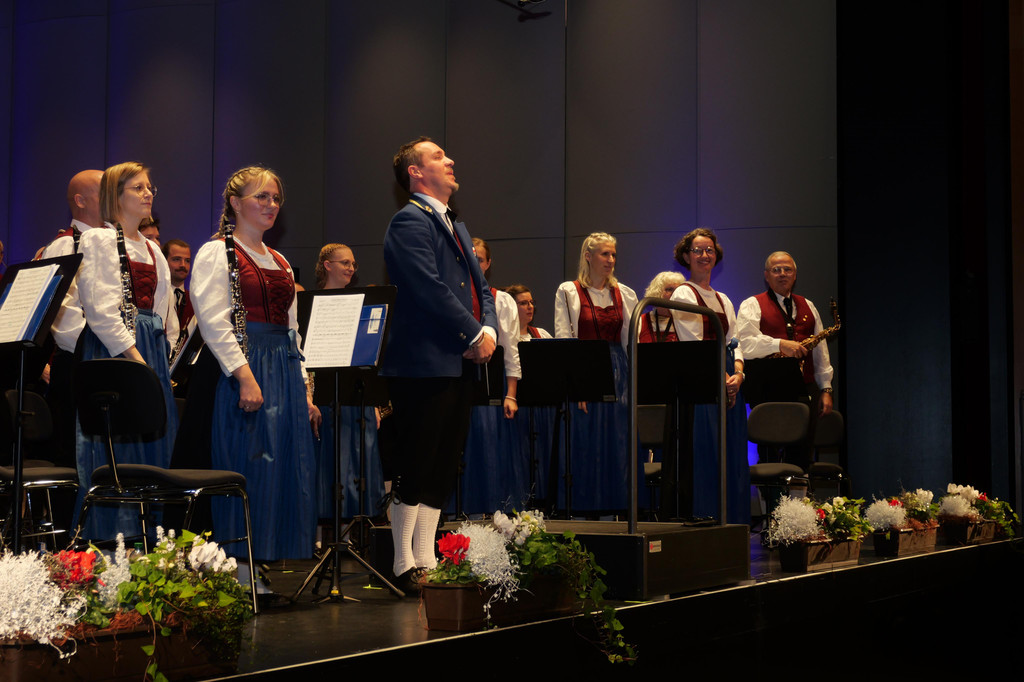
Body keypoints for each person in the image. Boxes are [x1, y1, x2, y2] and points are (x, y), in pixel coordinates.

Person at [382, 136, 496, 592]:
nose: (450, 160)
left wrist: (488, 331)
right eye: (437, 156)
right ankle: (401, 563)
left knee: (444, 463)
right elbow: (428, 287)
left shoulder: (455, 223)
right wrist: (473, 334)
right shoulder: (409, 220)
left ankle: (427, 557)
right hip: (423, 363)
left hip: (459, 361)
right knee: (417, 460)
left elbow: (482, 289)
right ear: (415, 172)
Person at [190, 166, 319, 561]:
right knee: (247, 463)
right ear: (235, 203)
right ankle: (236, 564)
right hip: (242, 368)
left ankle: (262, 560)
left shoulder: (279, 260)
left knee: (282, 468)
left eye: (275, 198)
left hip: (282, 368)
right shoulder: (218, 252)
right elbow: (213, 322)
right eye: (261, 196)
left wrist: (304, 387)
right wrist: (244, 376)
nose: (271, 204)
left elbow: (292, 329)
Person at [75, 162, 178, 537]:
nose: (148, 193)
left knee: (154, 446)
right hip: (116, 354)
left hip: (148, 352)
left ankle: (150, 540)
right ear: (115, 196)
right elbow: (100, 310)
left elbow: (163, 311)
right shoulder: (98, 240)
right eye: (138, 188)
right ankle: (110, 541)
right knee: (116, 447)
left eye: (150, 187)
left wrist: (160, 357)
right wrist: (136, 362)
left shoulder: (153, 249)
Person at [553, 232, 638, 513]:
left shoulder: (625, 294)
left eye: (613, 254)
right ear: (588, 256)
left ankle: (618, 509)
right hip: (584, 369)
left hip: (619, 373)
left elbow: (629, 342)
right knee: (585, 441)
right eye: (605, 254)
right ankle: (584, 509)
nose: (611, 260)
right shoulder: (569, 291)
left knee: (619, 442)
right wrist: (578, 384)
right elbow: (564, 339)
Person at [670, 228, 748, 524]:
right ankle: (709, 520)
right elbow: (693, 342)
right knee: (708, 451)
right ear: (686, 256)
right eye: (698, 250)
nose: (704, 255)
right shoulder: (683, 293)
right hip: (703, 379)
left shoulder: (723, 298)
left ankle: (734, 522)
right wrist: (722, 378)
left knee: (732, 453)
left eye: (710, 250)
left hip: (728, 378)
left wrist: (738, 375)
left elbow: (735, 342)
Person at [735, 251, 834, 466]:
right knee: (768, 453)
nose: (782, 274)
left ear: (795, 275)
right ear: (766, 276)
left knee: (802, 452)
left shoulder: (808, 305)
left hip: (805, 388)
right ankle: (770, 489)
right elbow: (745, 344)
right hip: (768, 389)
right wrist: (779, 344)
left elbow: (821, 351)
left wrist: (825, 389)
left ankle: (799, 489)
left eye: (787, 269)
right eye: (776, 270)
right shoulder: (752, 304)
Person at [309, 243, 385, 523]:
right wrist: (308, 398)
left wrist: (373, 402)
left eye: (353, 264)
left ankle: (358, 530)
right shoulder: (313, 303)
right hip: (327, 397)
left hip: (357, 397)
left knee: (362, 463)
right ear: (327, 265)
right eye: (345, 263)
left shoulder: (362, 304)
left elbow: (367, 355)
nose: (351, 268)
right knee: (332, 463)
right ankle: (328, 532)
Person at [39, 170, 105, 468]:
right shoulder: (65, 245)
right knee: (75, 450)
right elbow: (61, 311)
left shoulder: (112, 244)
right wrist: (96, 344)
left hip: (103, 355)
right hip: (79, 359)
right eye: (104, 192)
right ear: (80, 201)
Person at [455, 238, 524, 514]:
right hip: (455, 382)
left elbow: (511, 350)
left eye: (480, 259)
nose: (475, 263)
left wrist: (511, 394)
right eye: (469, 258)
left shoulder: (501, 299)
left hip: (490, 385)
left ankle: (491, 511)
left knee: (487, 449)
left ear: (488, 264)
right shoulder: (448, 296)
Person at [638, 271, 687, 343]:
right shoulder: (641, 321)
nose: (675, 293)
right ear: (657, 292)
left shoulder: (687, 321)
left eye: (677, 290)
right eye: (669, 289)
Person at [162, 238, 193, 352]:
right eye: (176, 259)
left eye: (187, 261)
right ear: (163, 261)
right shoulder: (155, 297)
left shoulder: (195, 300)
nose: (183, 265)